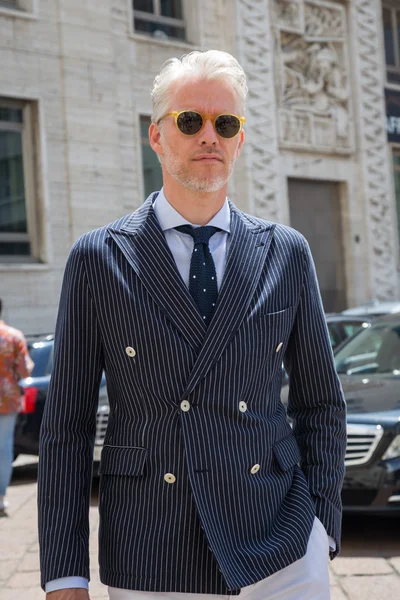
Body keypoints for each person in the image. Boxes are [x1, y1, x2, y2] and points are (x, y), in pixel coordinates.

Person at [38, 50, 347, 600]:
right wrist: (65, 573)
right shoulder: (99, 258)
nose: (210, 135)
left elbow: (322, 403)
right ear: (156, 136)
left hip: (283, 545)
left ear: (239, 141)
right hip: (152, 549)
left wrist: (321, 525)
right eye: (190, 120)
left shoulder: (286, 252)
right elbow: (67, 425)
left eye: (225, 123)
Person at [0, 298, 34, 513]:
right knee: (3, 449)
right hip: (6, 400)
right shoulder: (13, 337)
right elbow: (25, 371)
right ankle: (0, 498)